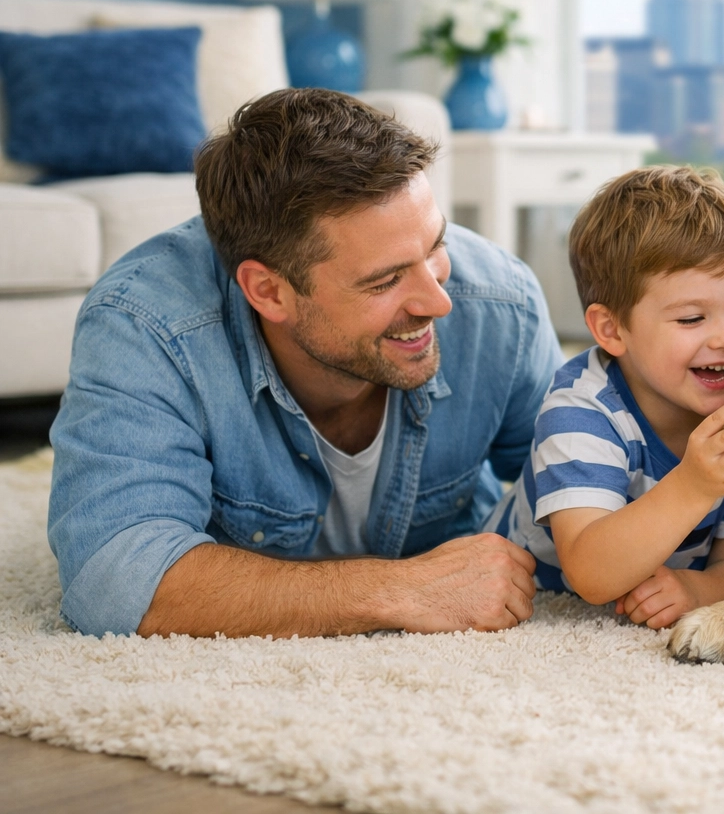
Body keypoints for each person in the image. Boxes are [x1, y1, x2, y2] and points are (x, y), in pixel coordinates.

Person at [47, 89, 563, 639]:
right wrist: (402, 590)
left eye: (435, 246)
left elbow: (598, 475)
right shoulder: (146, 325)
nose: (438, 301)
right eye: (385, 281)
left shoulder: (500, 302)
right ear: (268, 291)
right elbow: (114, 579)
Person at [484, 166, 724, 629]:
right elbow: (590, 574)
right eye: (691, 318)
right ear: (612, 329)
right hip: (534, 591)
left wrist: (698, 589)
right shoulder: (581, 409)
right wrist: (695, 483)